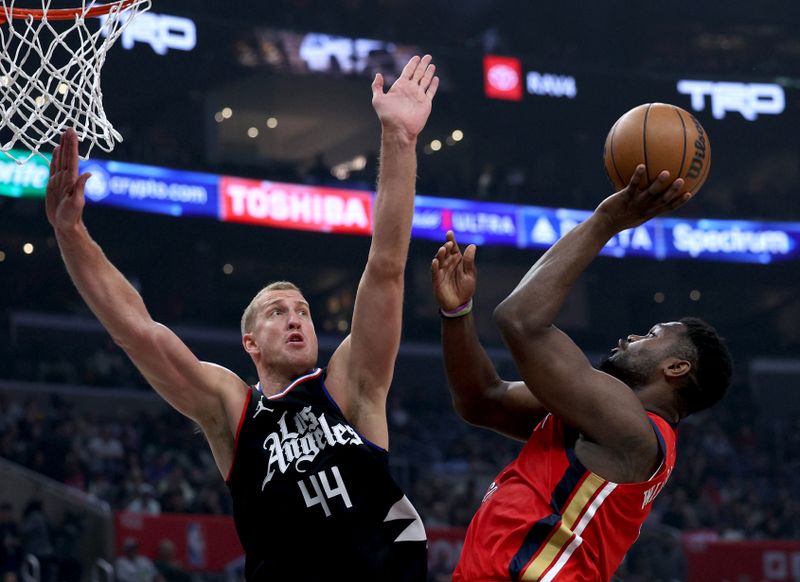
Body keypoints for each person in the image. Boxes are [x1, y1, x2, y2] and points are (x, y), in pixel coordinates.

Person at [45, 54, 439, 581]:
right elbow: (139, 334)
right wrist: (72, 235)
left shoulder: (350, 385)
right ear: (250, 343)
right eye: (279, 313)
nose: (297, 318)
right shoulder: (233, 411)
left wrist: (398, 139)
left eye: (302, 310)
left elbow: (386, 267)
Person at [431, 167, 733, 581]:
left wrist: (607, 220)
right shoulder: (596, 412)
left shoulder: (634, 431)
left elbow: (520, 319)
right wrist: (456, 313)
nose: (631, 337)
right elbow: (481, 399)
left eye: (652, 335)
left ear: (676, 368)